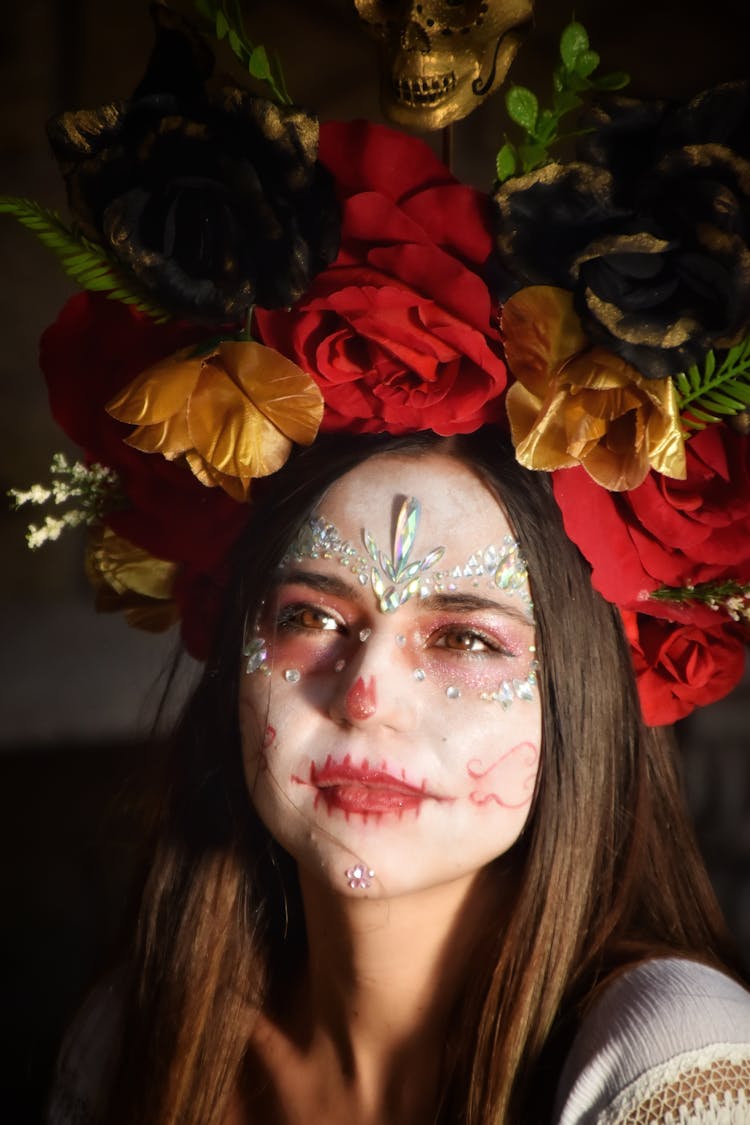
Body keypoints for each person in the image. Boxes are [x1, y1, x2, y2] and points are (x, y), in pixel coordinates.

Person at [4, 6, 749, 1123]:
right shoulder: (130, 1049)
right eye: (313, 615)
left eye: (463, 636)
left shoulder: (667, 1063)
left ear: (579, 698)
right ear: (236, 647)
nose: (363, 694)